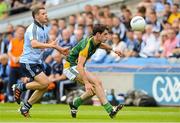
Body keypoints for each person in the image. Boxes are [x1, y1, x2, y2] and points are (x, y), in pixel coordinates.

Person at [12, 6, 68, 117]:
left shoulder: (44, 27)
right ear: (36, 16)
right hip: (28, 62)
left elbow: (50, 41)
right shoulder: (32, 28)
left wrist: (61, 49)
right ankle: (19, 87)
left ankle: (25, 107)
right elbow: (34, 44)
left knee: (44, 86)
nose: (46, 15)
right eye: (43, 13)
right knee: (46, 83)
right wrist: (50, 46)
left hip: (37, 62)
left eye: (46, 13)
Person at [63, 24, 123, 119]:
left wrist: (113, 50)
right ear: (98, 34)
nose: (107, 36)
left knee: (95, 88)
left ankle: (75, 103)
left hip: (78, 66)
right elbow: (79, 66)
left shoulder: (96, 41)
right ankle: (110, 110)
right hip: (70, 67)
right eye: (105, 34)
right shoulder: (86, 46)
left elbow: (101, 45)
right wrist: (86, 83)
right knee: (95, 83)